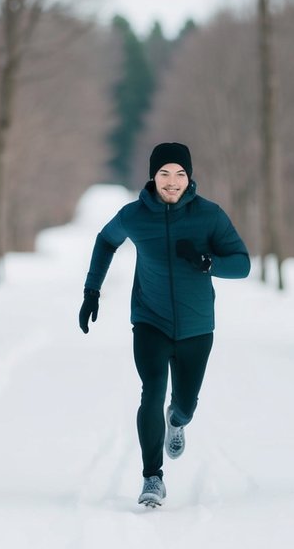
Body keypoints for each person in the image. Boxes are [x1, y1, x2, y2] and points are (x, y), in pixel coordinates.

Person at [79, 142, 251, 507]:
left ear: (189, 177)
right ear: (152, 177)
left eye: (179, 174)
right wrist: (92, 290)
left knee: (184, 403)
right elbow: (105, 241)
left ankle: (178, 418)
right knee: (152, 390)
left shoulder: (210, 216)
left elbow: (242, 263)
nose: (172, 182)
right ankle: (152, 477)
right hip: (150, 320)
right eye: (164, 174)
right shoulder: (134, 216)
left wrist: (208, 262)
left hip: (197, 326)